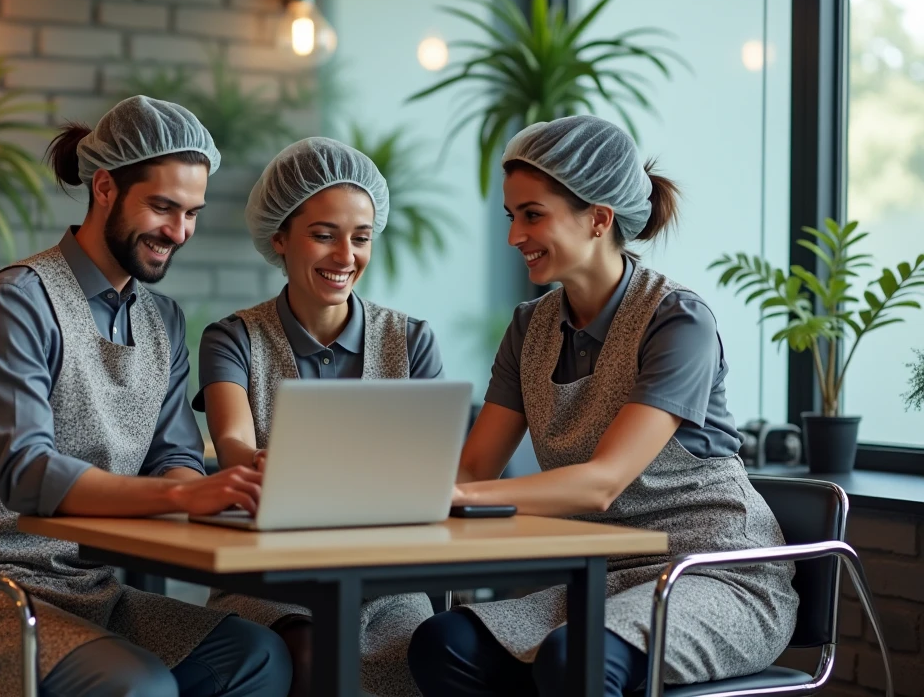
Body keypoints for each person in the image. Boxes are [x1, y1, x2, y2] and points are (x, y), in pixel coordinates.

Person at [0, 97, 292, 697]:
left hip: (91, 589)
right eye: (162, 207)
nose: (178, 232)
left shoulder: (163, 320)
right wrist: (184, 494)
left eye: (191, 213)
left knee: (261, 655)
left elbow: (174, 456)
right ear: (105, 188)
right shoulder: (19, 301)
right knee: (140, 687)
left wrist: (208, 489)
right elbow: (27, 472)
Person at [407, 116, 798, 697]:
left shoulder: (676, 320)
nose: (514, 236)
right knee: (441, 643)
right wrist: (392, 494)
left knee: (576, 661)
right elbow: (473, 467)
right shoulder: (529, 328)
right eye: (511, 217)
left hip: (713, 573)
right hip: (600, 577)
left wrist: (456, 497)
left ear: (598, 218)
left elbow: (602, 483)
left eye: (532, 215)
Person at [194, 138, 445, 697]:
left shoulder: (411, 340)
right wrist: (261, 464)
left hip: (387, 584)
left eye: (361, 238)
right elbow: (233, 443)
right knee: (310, 654)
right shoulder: (233, 339)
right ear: (280, 238)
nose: (345, 256)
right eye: (324, 235)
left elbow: (431, 468)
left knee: (423, 654)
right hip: (266, 578)